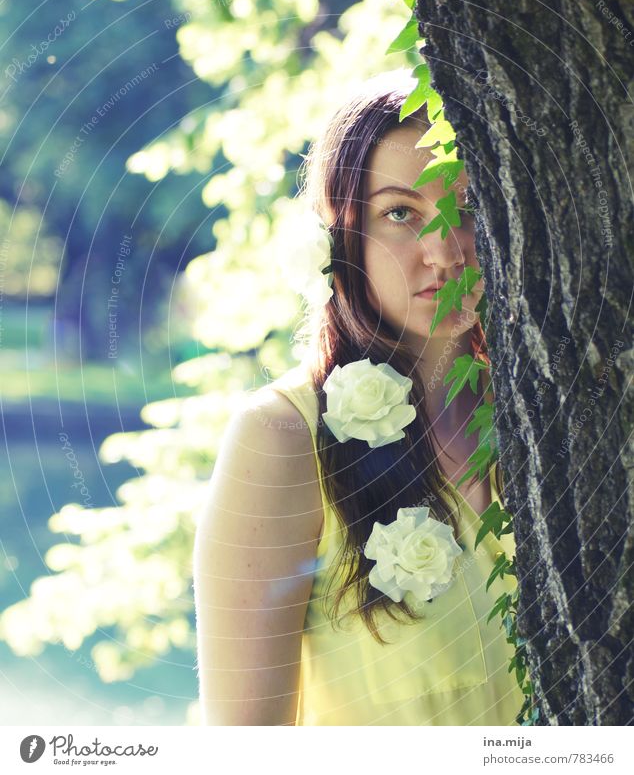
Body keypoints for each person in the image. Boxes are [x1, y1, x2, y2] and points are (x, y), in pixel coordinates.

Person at [193, 69, 524, 726]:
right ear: (339, 240)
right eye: (401, 213)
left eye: (470, 206)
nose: (444, 252)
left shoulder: (541, 416)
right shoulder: (281, 438)